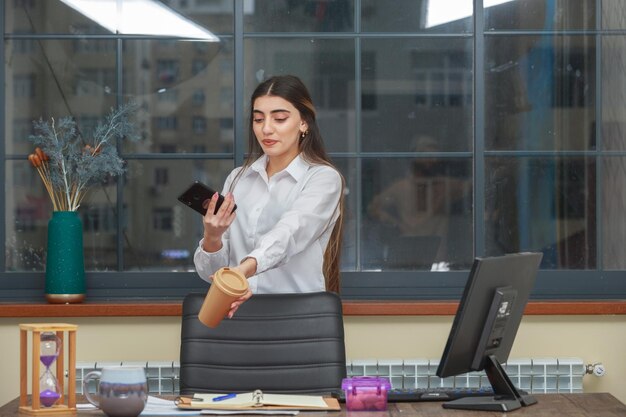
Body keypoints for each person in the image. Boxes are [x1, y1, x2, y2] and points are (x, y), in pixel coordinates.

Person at [193, 74, 345, 318]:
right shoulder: (238, 178)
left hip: (297, 316)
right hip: (237, 314)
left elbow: (289, 234)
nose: (266, 129)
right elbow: (212, 274)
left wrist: (242, 270)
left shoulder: (323, 178)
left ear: (304, 123)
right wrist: (212, 238)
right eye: (258, 119)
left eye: (280, 118)